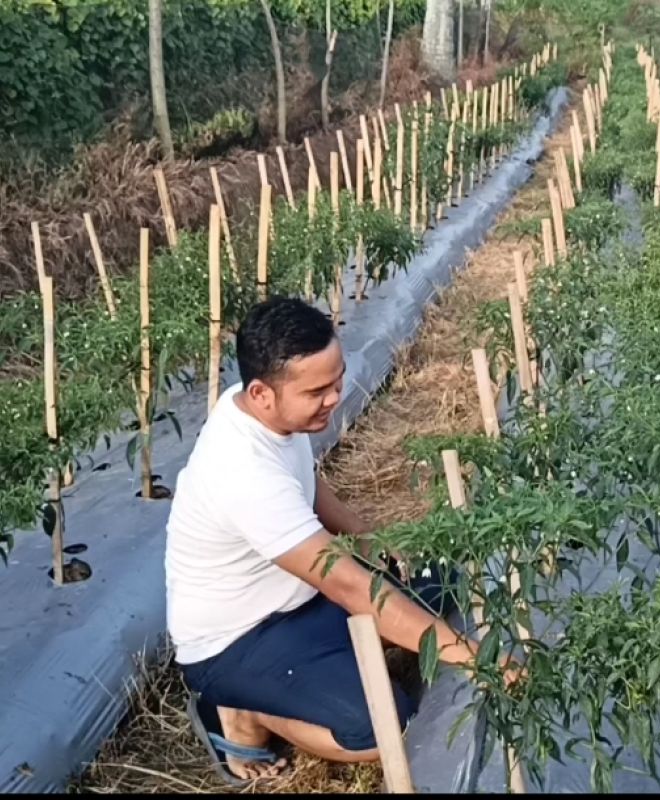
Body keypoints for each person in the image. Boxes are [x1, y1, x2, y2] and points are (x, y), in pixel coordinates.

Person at [165, 297, 509, 786]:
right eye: (318, 391)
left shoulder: (264, 411)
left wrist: (367, 539)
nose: (335, 397)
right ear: (262, 392)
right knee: (384, 729)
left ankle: (319, 672)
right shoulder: (240, 473)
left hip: (299, 603)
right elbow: (349, 587)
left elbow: (303, 481)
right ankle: (242, 711)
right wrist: (477, 660)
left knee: (437, 580)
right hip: (240, 641)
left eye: (338, 378)